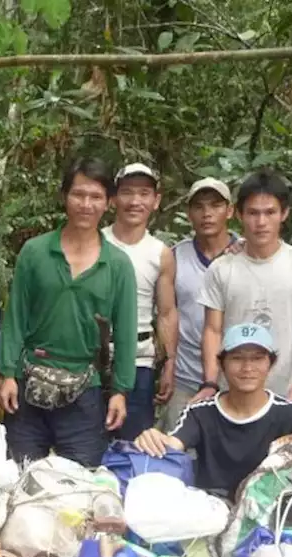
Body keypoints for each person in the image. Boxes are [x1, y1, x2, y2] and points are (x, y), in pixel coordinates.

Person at [0, 156, 137, 467]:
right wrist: (7, 372)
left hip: (85, 388)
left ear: (109, 203)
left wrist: (120, 391)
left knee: (79, 483)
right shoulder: (35, 252)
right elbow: (15, 317)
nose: (86, 204)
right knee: (21, 477)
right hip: (30, 379)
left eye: (96, 197)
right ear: (64, 197)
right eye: (78, 194)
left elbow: (126, 334)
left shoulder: (117, 265)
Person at [133, 324, 292, 499]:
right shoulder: (201, 413)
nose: (247, 368)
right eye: (237, 358)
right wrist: (152, 438)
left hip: (272, 511)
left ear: (270, 364)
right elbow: (172, 446)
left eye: (257, 358)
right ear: (222, 365)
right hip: (211, 510)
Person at [196, 169, 292, 407]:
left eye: (270, 212)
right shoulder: (221, 268)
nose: (261, 222)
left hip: (284, 394)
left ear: (284, 213)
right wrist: (210, 382)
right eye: (253, 213)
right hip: (230, 395)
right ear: (238, 214)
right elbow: (213, 330)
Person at [102, 162, 176, 439]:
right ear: (113, 199)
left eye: (144, 193)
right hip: (92, 359)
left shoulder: (161, 253)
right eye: (127, 193)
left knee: (134, 444)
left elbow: (167, 312)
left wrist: (169, 364)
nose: (135, 201)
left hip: (139, 361)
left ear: (156, 201)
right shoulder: (96, 242)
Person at [162, 177, 236, 429]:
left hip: (237, 378)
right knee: (176, 451)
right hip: (186, 376)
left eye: (215, 205)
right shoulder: (174, 256)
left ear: (230, 210)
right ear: (189, 213)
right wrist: (167, 364)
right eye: (199, 207)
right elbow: (166, 313)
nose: (207, 214)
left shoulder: (247, 253)